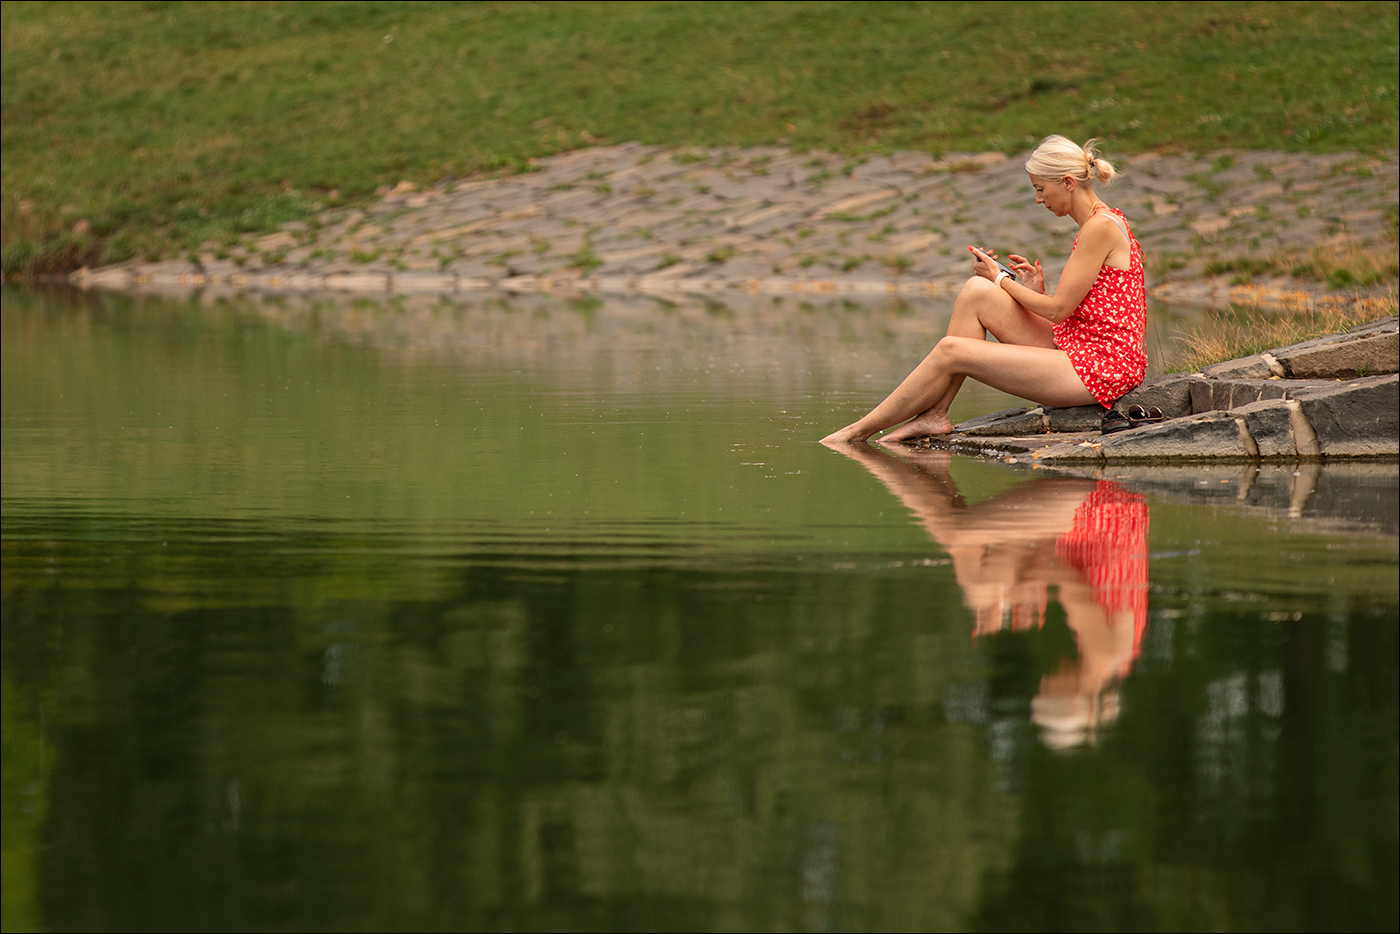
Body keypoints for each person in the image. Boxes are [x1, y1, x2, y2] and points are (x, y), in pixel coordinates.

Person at [821, 135, 1147, 446]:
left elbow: (1059, 311)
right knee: (977, 291)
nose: (1038, 199)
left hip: (1103, 368)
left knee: (952, 349)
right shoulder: (1099, 222)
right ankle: (935, 413)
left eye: (1040, 189)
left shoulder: (1100, 227)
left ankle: (855, 432)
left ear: (1067, 182)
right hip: (1080, 346)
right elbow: (1077, 310)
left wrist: (1000, 279)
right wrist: (1034, 291)